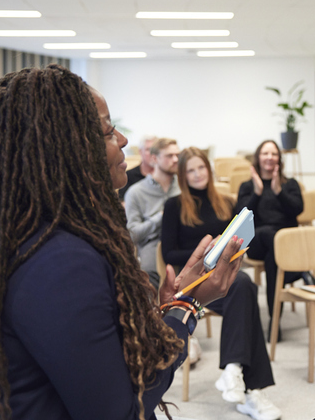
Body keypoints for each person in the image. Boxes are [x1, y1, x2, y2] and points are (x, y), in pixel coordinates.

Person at [0, 65, 242, 420]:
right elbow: (119, 411)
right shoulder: (60, 262)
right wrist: (188, 306)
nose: (122, 140)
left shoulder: (17, 239)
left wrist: (168, 309)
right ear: (65, 151)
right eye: (106, 130)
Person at [162, 147, 281, 420]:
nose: (197, 174)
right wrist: (205, 255)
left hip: (224, 274)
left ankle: (236, 373)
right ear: (182, 175)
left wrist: (232, 250)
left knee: (244, 286)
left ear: (209, 169)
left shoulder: (225, 202)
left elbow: (236, 240)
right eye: (190, 170)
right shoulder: (174, 206)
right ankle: (247, 384)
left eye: (201, 168)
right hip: (192, 282)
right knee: (244, 287)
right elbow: (169, 253)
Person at [235, 140, 304, 328]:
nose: (269, 157)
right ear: (258, 158)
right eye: (265, 153)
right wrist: (257, 193)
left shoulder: (290, 185)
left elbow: (297, 210)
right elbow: (240, 217)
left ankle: (275, 320)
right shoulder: (247, 186)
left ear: (279, 159)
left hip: (283, 245)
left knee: (273, 259)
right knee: (268, 233)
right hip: (257, 242)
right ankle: (298, 271)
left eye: (274, 154)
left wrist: (279, 192)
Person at [125, 137, 181, 289]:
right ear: (154, 158)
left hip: (182, 242)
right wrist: (162, 217)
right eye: (169, 156)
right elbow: (132, 234)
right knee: (149, 282)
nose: (176, 159)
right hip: (153, 244)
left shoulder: (184, 186)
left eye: (177, 155)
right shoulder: (136, 192)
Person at [118, 135, 156, 201]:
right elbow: (122, 202)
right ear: (140, 152)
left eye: (155, 149)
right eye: (148, 149)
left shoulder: (164, 175)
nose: (152, 153)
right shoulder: (128, 175)